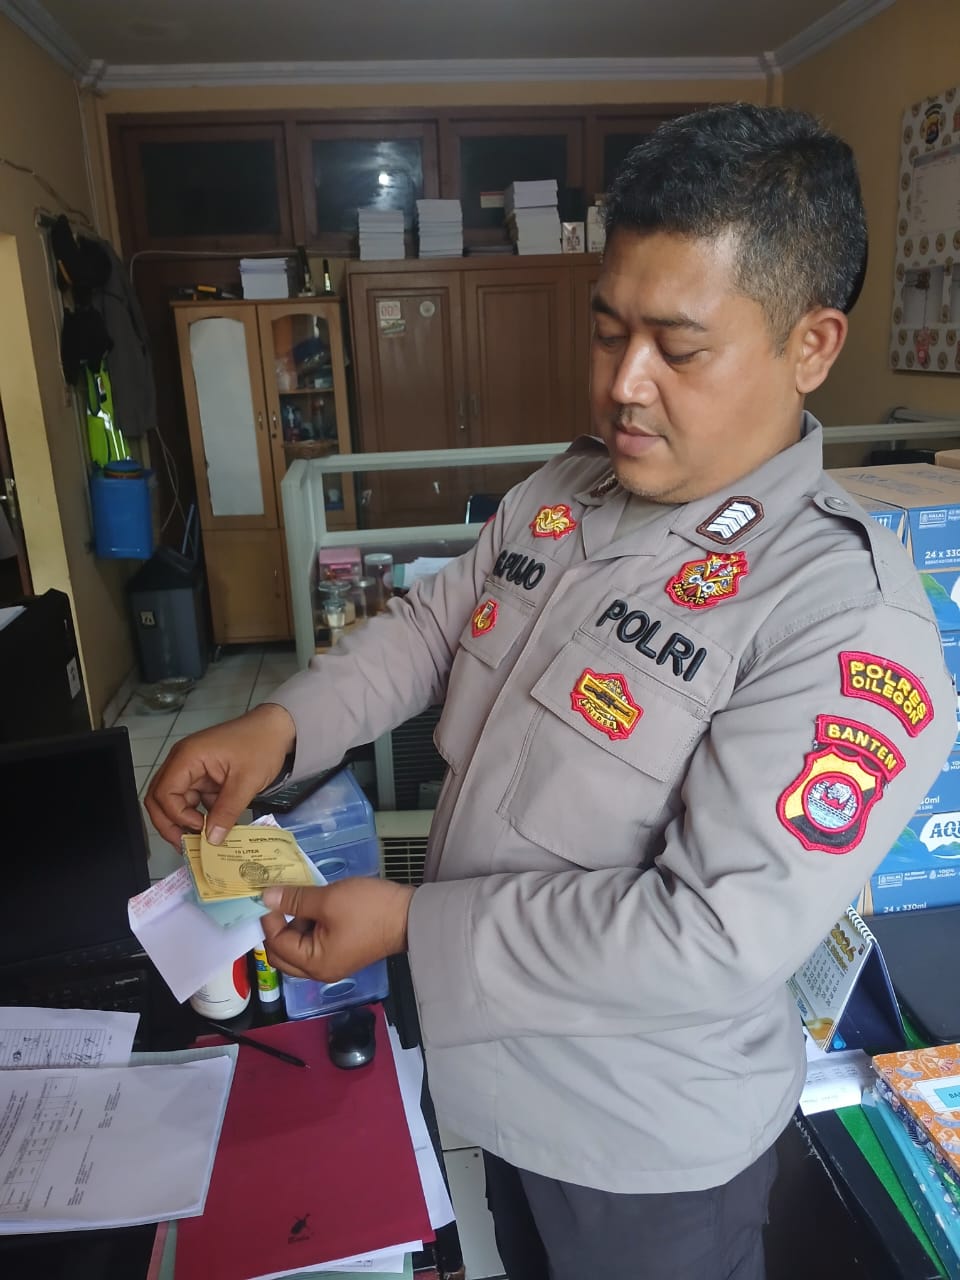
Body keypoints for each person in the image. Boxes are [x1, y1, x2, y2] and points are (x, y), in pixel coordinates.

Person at [147, 103, 956, 1280]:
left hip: (644, 1152)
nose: (624, 385)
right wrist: (281, 724)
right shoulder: (570, 491)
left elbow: (707, 932)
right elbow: (435, 626)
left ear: (812, 345)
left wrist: (413, 925)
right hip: (499, 1082)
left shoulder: (844, 620)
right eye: (607, 331)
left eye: (678, 348)